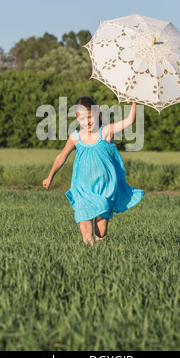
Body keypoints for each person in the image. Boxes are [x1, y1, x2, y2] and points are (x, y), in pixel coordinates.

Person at [42, 96, 145, 246]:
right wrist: (50, 176)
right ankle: (90, 254)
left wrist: (135, 101)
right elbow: (61, 157)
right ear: (77, 119)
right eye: (82, 119)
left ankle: (101, 250)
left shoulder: (106, 132)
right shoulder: (75, 137)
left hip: (105, 188)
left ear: (97, 114)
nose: (86, 122)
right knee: (84, 224)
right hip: (82, 187)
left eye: (89, 117)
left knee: (101, 230)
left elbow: (130, 121)